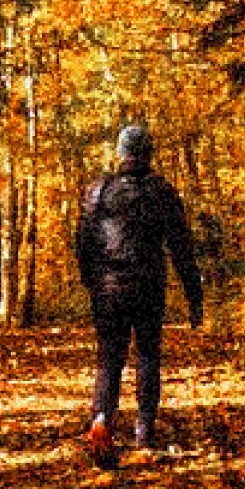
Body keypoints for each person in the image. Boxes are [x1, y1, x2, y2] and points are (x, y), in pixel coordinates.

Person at [74, 122, 204, 464]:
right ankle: (144, 433)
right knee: (147, 355)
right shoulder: (163, 192)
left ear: (121, 154)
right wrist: (194, 296)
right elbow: (181, 247)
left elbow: (84, 243)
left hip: (108, 288)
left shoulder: (99, 191)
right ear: (149, 153)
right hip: (148, 285)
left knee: (109, 358)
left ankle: (102, 419)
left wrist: (92, 281)